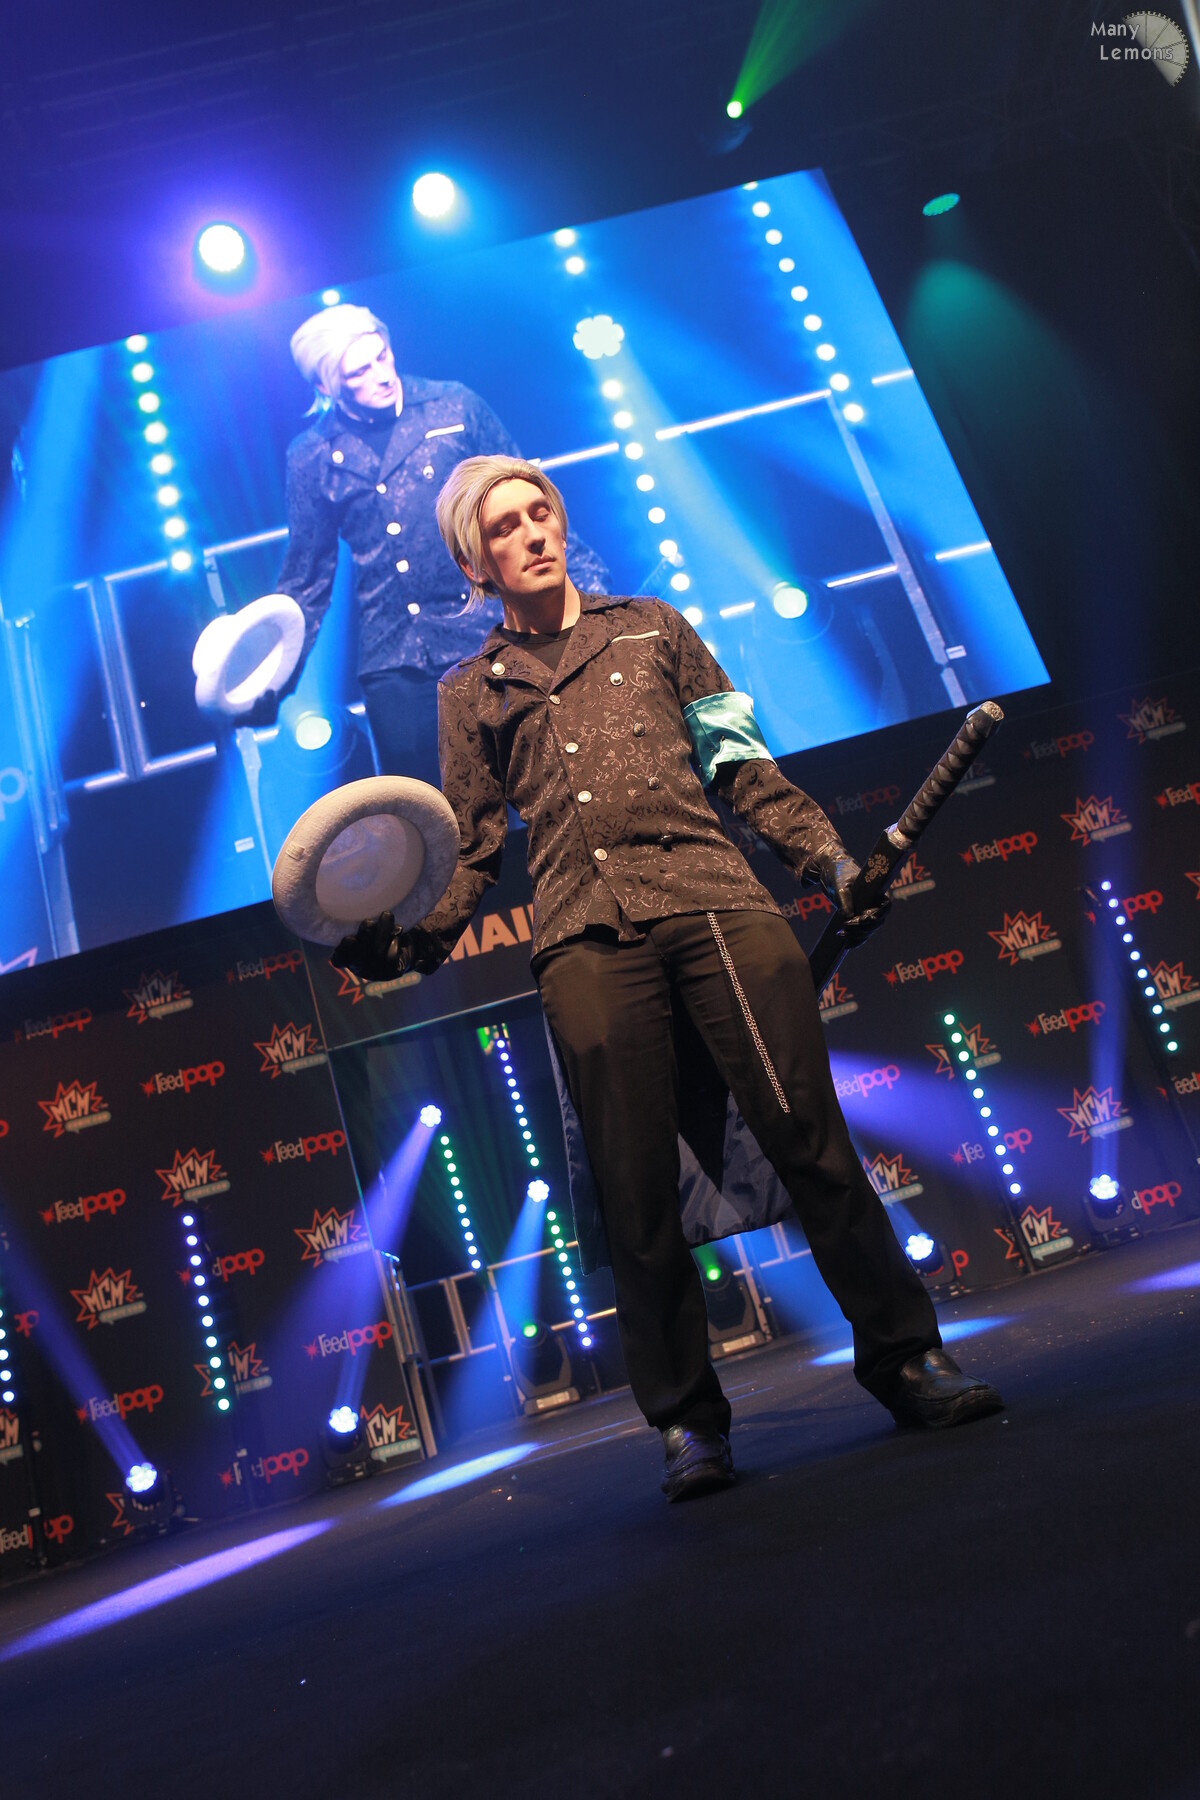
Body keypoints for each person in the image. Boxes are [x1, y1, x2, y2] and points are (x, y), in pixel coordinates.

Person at [332, 454, 1004, 1502]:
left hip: (716, 902)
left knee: (810, 1140)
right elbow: (471, 851)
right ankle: (688, 1422)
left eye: (541, 513)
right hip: (585, 940)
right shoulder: (471, 693)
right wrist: (409, 947)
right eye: (505, 527)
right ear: (475, 565)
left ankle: (908, 1358)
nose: (532, 534)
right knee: (635, 1190)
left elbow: (743, 767)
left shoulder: (653, 628)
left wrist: (829, 863)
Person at [251, 304, 608, 784]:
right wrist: (271, 678)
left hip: (486, 631)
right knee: (428, 808)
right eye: (359, 371)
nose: (382, 375)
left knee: (537, 783)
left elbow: (531, 501)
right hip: (394, 658)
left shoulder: (453, 407)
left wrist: (595, 601)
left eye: (382, 356)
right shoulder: (311, 455)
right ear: (326, 386)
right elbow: (306, 578)